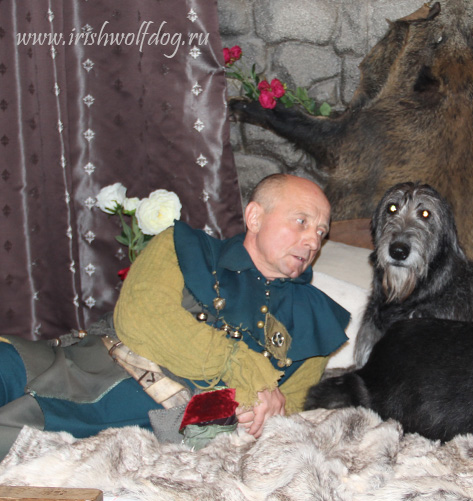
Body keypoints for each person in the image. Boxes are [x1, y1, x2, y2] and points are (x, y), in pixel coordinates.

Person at [0, 174, 350, 456]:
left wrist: (270, 410)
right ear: (255, 216)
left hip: (164, 420)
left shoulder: (316, 321)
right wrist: (247, 368)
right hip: (84, 364)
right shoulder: (182, 247)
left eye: (320, 231)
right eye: (302, 222)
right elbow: (143, 319)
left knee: (19, 436)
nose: (313, 242)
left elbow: (290, 405)